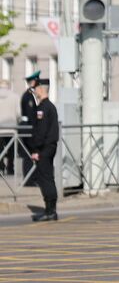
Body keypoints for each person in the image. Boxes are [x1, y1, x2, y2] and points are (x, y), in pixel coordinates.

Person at [27, 78, 60, 221]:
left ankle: (50, 211)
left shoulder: (42, 108)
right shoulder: (51, 106)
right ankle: (51, 210)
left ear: (41, 89)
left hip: (44, 148)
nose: (35, 92)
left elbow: (40, 132)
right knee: (48, 177)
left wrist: (35, 150)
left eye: (36, 90)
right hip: (50, 147)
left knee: (44, 178)